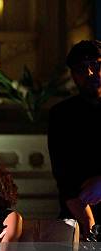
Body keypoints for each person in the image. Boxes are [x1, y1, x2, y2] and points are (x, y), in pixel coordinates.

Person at [48, 39, 101, 235]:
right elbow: (63, 176)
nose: (89, 73)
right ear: (73, 75)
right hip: (77, 215)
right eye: (81, 68)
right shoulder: (61, 115)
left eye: (96, 65)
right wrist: (87, 223)